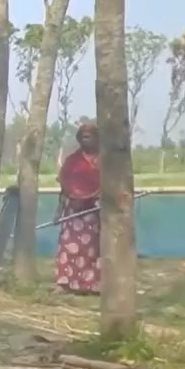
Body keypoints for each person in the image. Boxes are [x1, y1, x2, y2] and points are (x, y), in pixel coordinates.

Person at [54, 122, 101, 295]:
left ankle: (90, 285)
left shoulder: (104, 161)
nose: (86, 140)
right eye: (83, 137)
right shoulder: (72, 161)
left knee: (92, 249)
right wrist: (58, 211)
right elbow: (64, 186)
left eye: (90, 136)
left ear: (97, 139)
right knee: (68, 245)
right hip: (73, 211)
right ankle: (64, 283)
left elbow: (109, 184)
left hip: (94, 211)